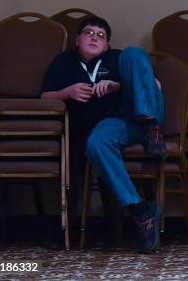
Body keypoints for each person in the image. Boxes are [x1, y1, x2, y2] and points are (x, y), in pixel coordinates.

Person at [41, 16, 166, 253]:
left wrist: (118, 85)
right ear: (77, 39)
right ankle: (141, 211)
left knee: (134, 52)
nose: (94, 37)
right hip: (114, 124)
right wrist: (67, 92)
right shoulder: (64, 62)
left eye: (100, 36)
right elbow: (45, 97)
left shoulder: (118, 58)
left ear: (107, 45)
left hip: (140, 115)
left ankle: (151, 126)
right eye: (88, 33)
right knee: (96, 144)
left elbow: (156, 86)